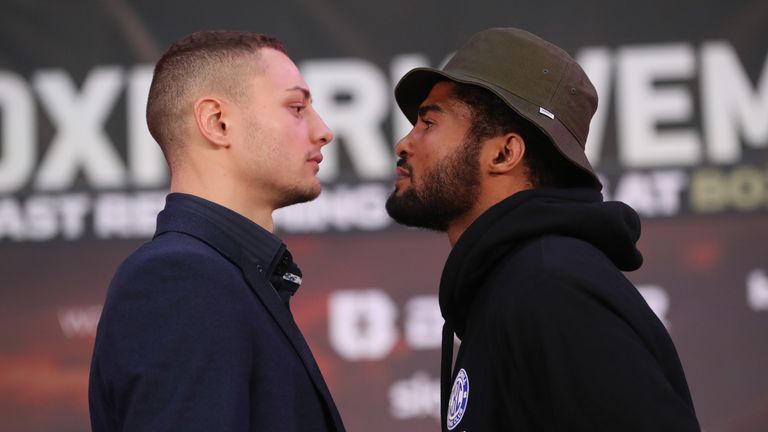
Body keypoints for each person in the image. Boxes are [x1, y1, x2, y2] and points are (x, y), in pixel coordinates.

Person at [386, 27, 701, 431]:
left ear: (503, 153)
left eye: (428, 122)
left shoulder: (551, 287)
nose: (403, 143)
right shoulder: (515, 284)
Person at [89, 30, 345, 431]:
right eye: (297, 107)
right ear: (217, 122)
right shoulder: (179, 281)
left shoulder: (226, 277)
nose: (324, 130)